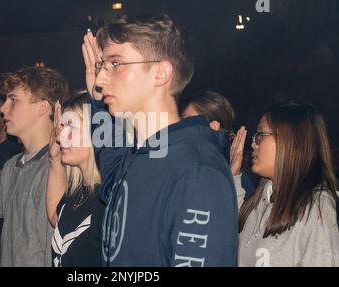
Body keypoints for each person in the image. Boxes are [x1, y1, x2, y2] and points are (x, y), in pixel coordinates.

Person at [82, 14, 238, 266]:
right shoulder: (146, 154)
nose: (100, 80)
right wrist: (97, 104)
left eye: (116, 64)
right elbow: (113, 176)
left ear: (161, 73)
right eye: (102, 67)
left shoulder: (197, 170)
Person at [0, 67, 70, 266]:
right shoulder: (13, 167)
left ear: (42, 107)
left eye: (13, 100)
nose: (3, 108)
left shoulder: (63, 166)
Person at [231, 101, 339, 266]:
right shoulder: (265, 195)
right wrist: (234, 174)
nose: (253, 144)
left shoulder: (316, 207)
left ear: (291, 141)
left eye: (260, 135)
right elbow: (237, 222)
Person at [47, 95, 105, 267]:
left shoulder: (109, 198)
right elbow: (54, 217)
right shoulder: (78, 192)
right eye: (61, 127)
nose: (61, 137)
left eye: (71, 127)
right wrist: (54, 160)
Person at [181, 90, 255, 197]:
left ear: (214, 126)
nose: (180, 125)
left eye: (187, 120)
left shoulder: (231, 175)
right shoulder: (193, 157)